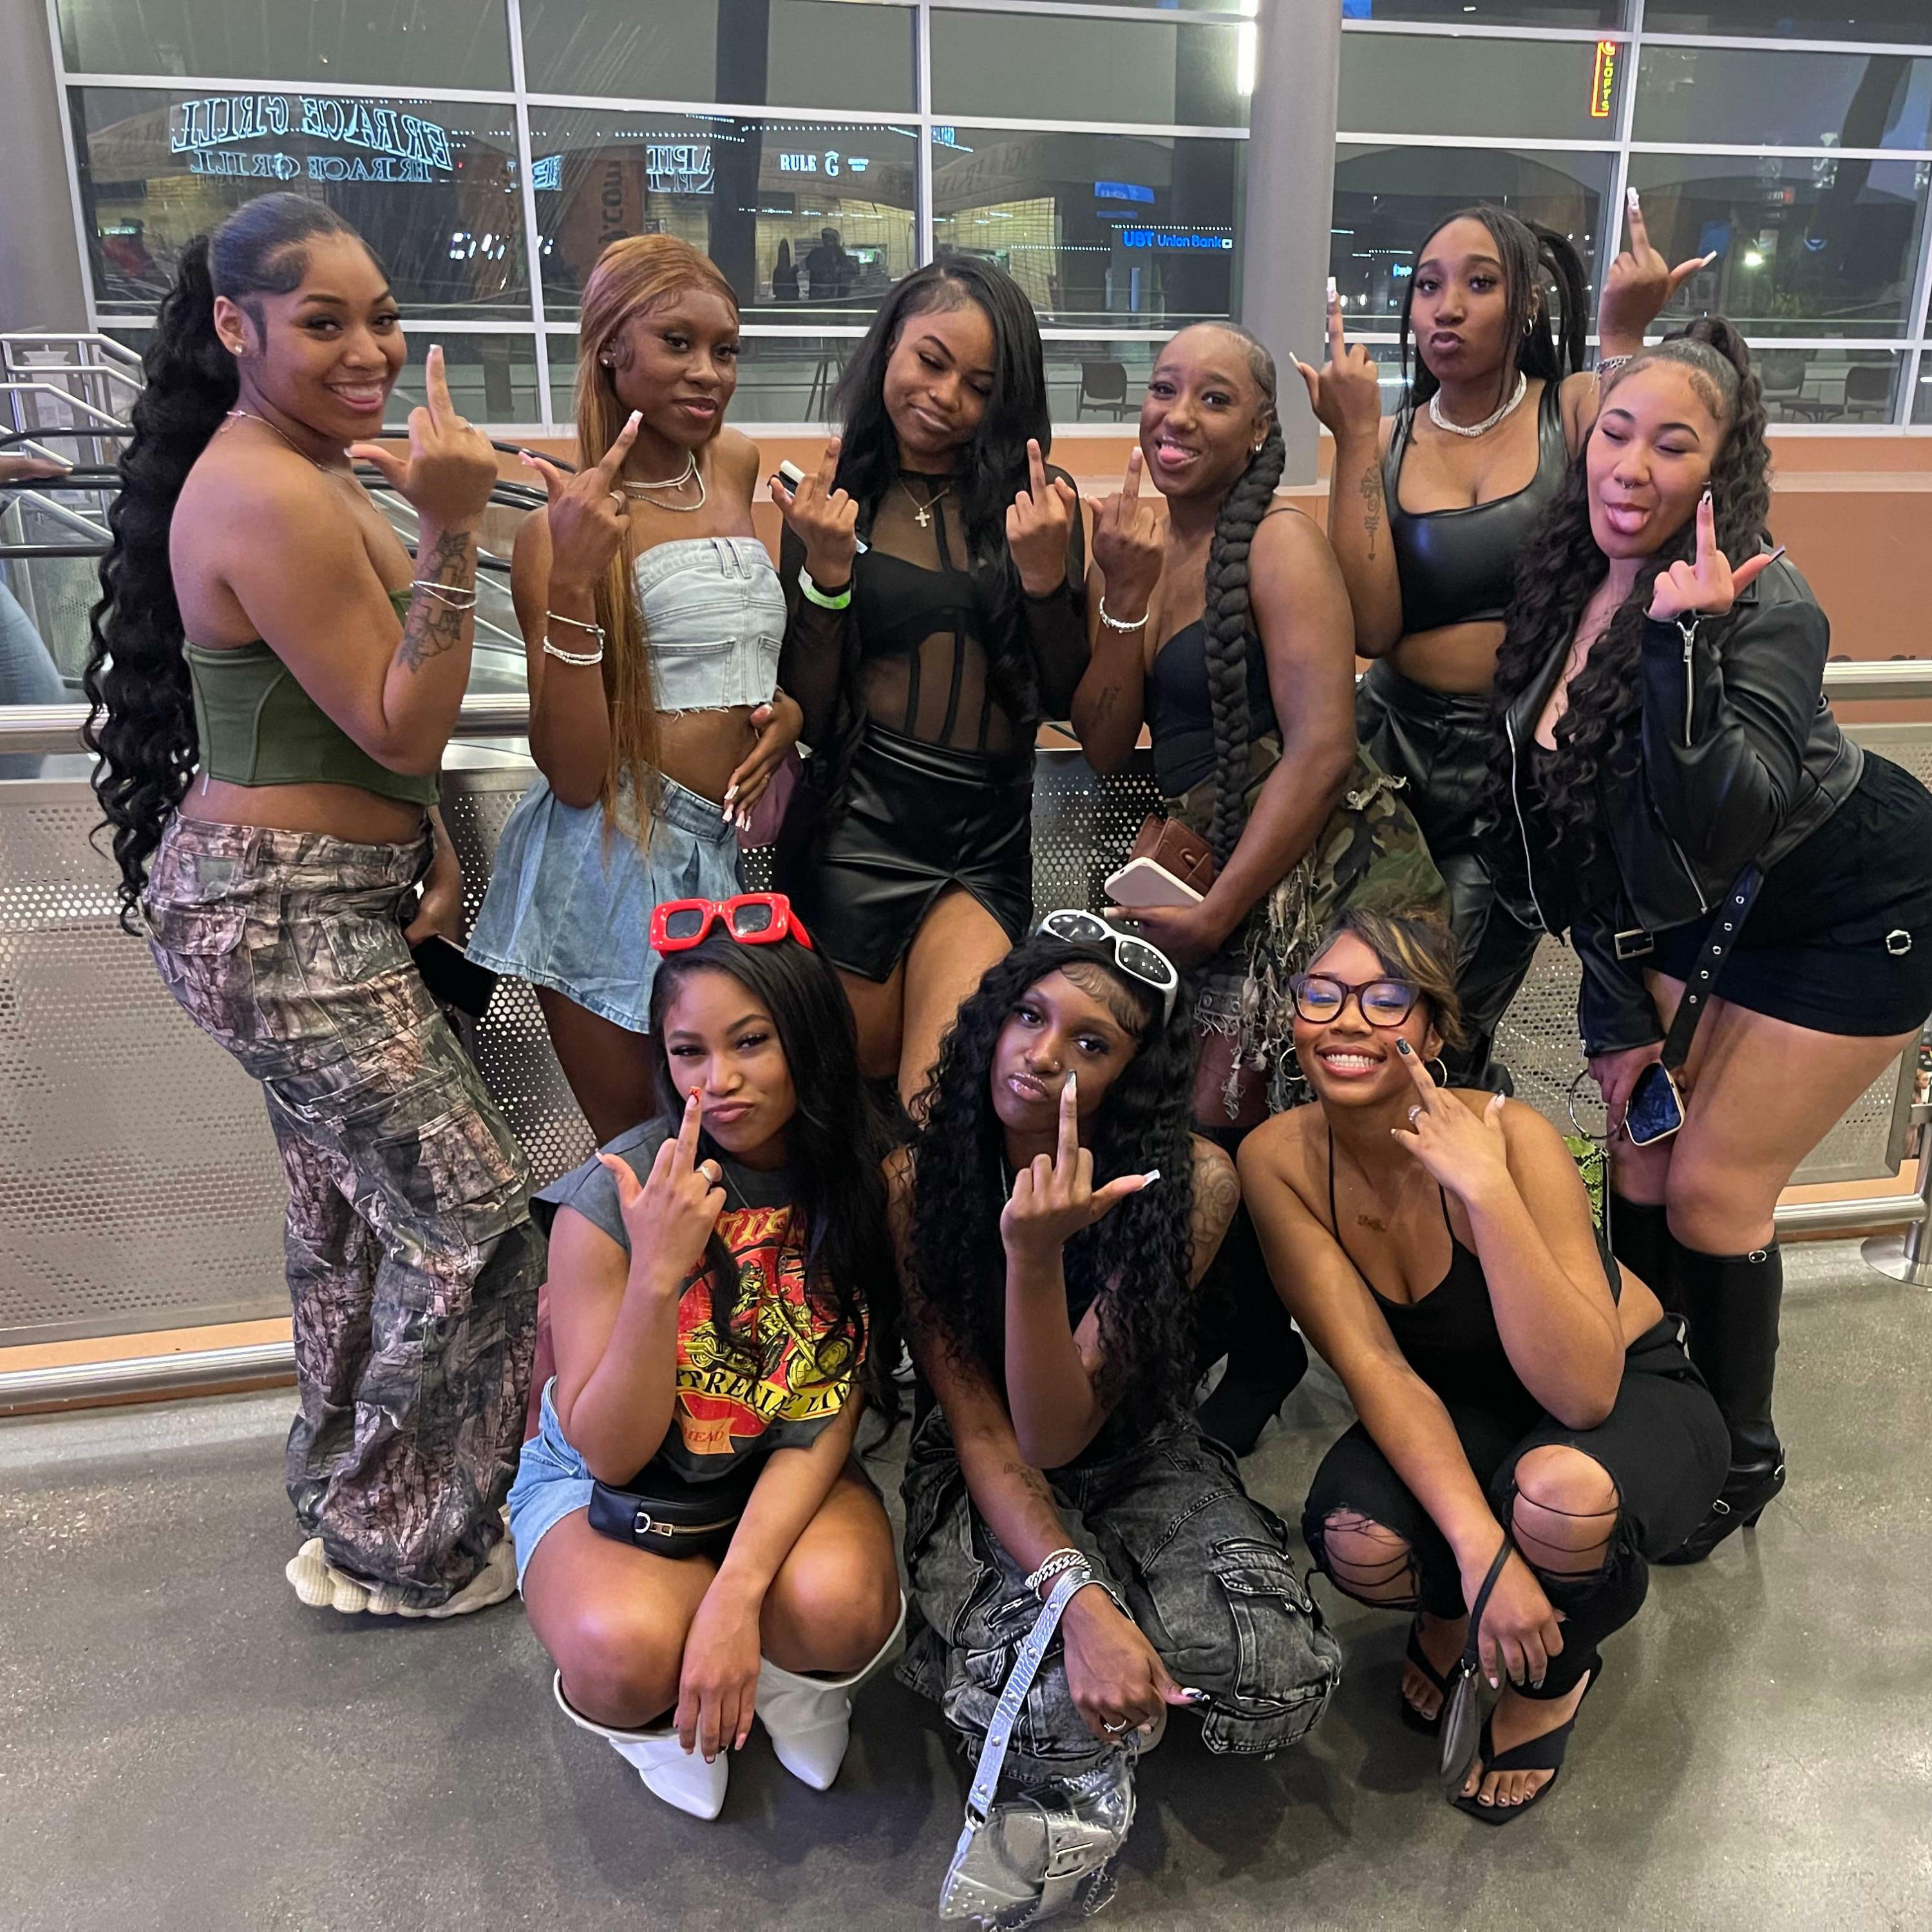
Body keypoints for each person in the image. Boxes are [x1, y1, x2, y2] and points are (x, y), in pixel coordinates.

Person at [82, 193, 542, 1616]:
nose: (370, 351)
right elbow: (403, 721)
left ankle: (349, 1503)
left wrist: (424, 843)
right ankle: (406, 1543)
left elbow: (355, 733)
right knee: (473, 1218)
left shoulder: (313, 468)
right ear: (236, 325)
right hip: (278, 918)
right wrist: (452, 528)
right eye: (325, 322)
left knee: (352, 1221)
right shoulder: (266, 489)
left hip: (319, 902)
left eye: (383, 319)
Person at [1488, 318, 1932, 1562]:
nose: (1632, 467)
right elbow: (1576, 834)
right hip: (1699, 917)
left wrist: (1682, 642)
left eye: (1673, 446)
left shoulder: (1765, 600)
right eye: (1616, 434)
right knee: (1636, 1160)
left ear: (1720, 469)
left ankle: (1741, 1451)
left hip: (1848, 906)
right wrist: (1614, 1011)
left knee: (1712, 1193)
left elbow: (1724, 821)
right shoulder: (1571, 572)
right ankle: (1647, 1396)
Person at [895, 917, 1341, 1921]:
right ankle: (1045, 1665)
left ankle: (1088, 1661)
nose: (1041, 1054)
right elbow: (1005, 1438)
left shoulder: (1193, 1180)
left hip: (1137, 1446)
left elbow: (1073, 1428)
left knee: (1275, 1673)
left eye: (1090, 1042)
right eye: (1027, 1015)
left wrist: (1038, 1257)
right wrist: (1083, 1600)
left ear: (1132, 1075)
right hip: (984, 1463)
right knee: (1055, 1698)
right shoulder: (916, 1180)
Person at [1240, 907, 1727, 1822]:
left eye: (1387, 999)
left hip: (1625, 1391)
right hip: (1470, 1409)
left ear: (1434, 1033)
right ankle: (1460, 1609)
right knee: (1356, 1538)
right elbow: (1377, 1371)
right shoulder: (1277, 1159)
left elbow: (1583, 1394)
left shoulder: (1513, 1136)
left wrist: (1487, 1192)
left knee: (1558, 1497)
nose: (1348, 1021)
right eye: (1322, 994)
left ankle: (1557, 1673)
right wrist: (1478, 1553)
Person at [1071, 319, 1443, 1452]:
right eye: (1163, 389)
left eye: (1214, 399)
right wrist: (1120, 593)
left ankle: (1348, 1361)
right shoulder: (1138, 547)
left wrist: (1221, 909)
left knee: (1291, 1124)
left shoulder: (1279, 545)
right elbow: (1102, 742)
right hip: (1210, 866)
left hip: (1320, 878)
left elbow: (1323, 748)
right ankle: (1248, 1340)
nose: (1177, 416)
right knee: (1198, 1121)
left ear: (1259, 432)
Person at [1302, 196, 1711, 1086]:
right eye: (1427, 287)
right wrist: (1356, 437)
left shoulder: (1575, 408)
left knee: (1440, 1017)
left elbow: (1653, 469)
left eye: (1478, 284)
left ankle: (1471, 1154)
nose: (1446, 308)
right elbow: (1371, 628)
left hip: (1514, 771)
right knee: (1361, 1002)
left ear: (1526, 305)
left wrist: (1624, 332)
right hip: (1390, 754)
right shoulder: (1390, 438)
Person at [510, 896, 904, 1821]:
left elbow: (826, 1403)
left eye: (751, 1042)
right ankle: (655, 1722)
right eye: (688, 1051)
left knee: (844, 1607)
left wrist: (736, 1596)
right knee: (623, 1654)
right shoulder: (611, 1198)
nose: (717, 1081)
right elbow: (611, 1452)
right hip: (620, 1483)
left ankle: (784, 1678)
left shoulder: (866, 1179)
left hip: (775, 1451)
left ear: (808, 1038)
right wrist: (657, 1276)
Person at [468, 236, 801, 1143]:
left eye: (725, 350)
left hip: (715, 852)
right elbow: (575, 776)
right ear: (611, 349)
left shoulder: (735, 463)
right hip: (608, 854)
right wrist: (575, 581)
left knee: (727, 1138)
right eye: (677, 344)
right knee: (642, 1148)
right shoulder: (557, 530)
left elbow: (743, 647)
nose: (709, 373)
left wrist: (789, 716)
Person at [772, 257, 1088, 1111]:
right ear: (889, 349)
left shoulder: (1041, 503)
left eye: (979, 386)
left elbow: (1063, 696)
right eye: (931, 361)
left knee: (940, 1110)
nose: (946, 398)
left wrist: (1046, 581)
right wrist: (826, 577)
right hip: (859, 819)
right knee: (846, 1105)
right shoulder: (830, 499)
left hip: (985, 834)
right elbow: (812, 713)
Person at [804, 227, 853, 303]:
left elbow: (849, 273)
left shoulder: (840, 255)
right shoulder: (816, 253)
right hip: (819, 296)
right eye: (825, 238)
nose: (827, 241)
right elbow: (805, 267)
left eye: (830, 239)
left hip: (835, 298)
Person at [772, 238, 799, 304]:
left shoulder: (791, 271)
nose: (784, 254)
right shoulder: (778, 272)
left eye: (786, 251)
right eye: (783, 251)